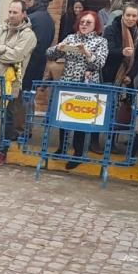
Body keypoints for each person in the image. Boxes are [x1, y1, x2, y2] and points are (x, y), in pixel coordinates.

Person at [45, 10, 109, 169]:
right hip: (67, 84)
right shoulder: (71, 38)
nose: (84, 25)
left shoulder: (101, 42)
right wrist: (58, 48)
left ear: (95, 26)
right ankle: (62, 147)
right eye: (82, 22)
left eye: (88, 23)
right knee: (65, 116)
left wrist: (86, 52)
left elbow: (99, 64)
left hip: (86, 86)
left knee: (81, 119)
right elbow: (49, 54)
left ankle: (79, 153)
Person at [0, 0, 37, 166]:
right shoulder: (1, 28)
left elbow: (17, 56)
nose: (11, 15)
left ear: (23, 14)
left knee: (8, 118)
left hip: (11, 82)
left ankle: (2, 151)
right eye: (10, 12)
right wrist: (4, 49)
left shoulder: (29, 35)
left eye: (15, 12)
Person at [23, 0, 56, 94]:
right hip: (38, 66)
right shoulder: (49, 19)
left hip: (28, 66)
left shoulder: (33, 18)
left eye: (30, 0)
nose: (28, 3)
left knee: (22, 99)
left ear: (37, 2)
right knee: (29, 96)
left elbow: (35, 46)